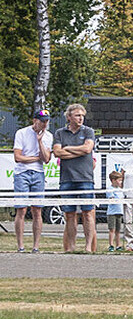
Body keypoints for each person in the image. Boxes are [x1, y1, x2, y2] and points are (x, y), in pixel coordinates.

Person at [53, 103, 97, 253]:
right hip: (67, 178)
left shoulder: (89, 131)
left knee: (88, 213)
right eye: (77, 115)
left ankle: (88, 247)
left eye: (82, 116)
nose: (80, 118)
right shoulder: (60, 133)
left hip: (85, 178)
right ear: (69, 117)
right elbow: (57, 153)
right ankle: (71, 247)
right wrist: (78, 151)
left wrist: (69, 149)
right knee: (70, 214)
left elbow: (87, 149)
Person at [13, 109, 53, 253]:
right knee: (21, 209)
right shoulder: (21, 133)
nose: (44, 124)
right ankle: (20, 245)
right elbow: (18, 157)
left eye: (46, 121)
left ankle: (36, 246)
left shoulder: (48, 136)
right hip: (22, 173)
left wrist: (40, 141)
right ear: (34, 120)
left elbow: (46, 159)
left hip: (38, 173)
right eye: (42, 121)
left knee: (37, 210)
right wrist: (36, 158)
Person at [106, 171, 124, 251]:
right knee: (112, 229)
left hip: (119, 212)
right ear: (113, 180)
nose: (120, 182)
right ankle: (111, 245)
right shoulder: (110, 189)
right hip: (112, 212)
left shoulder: (120, 190)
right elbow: (112, 199)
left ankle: (118, 245)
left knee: (118, 230)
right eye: (119, 180)